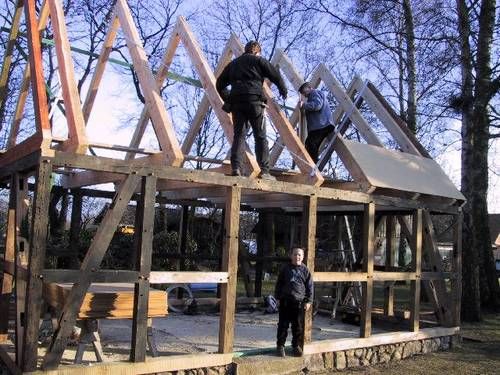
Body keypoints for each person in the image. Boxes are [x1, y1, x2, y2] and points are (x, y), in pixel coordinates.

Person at [216, 41, 288, 180]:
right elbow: (275, 75)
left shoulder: (233, 64)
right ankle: (265, 172)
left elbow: (219, 84)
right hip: (255, 103)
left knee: (239, 136)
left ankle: (236, 169)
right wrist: (283, 90)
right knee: (260, 137)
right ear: (256, 51)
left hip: (237, 104)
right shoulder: (258, 60)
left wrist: (228, 98)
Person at [274, 247, 313, 357]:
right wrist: (277, 298)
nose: (297, 257)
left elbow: (310, 287)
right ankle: (280, 346)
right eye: (295, 254)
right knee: (283, 325)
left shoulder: (305, 270)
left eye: (300, 255)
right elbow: (279, 284)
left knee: (298, 327)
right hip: (285, 302)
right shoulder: (285, 269)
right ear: (291, 256)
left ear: (303, 257)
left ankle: (295, 346)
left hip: (299, 303)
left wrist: (309, 301)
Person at [299, 82, 335, 163]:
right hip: (323, 125)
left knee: (310, 143)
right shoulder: (314, 95)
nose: (304, 95)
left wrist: (304, 105)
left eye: (304, 92)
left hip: (321, 125)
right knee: (313, 145)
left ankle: (314, 166)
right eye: (302, 93)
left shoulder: (314, 93)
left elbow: (317, 105)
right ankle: (315, 165)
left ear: (310, 88)